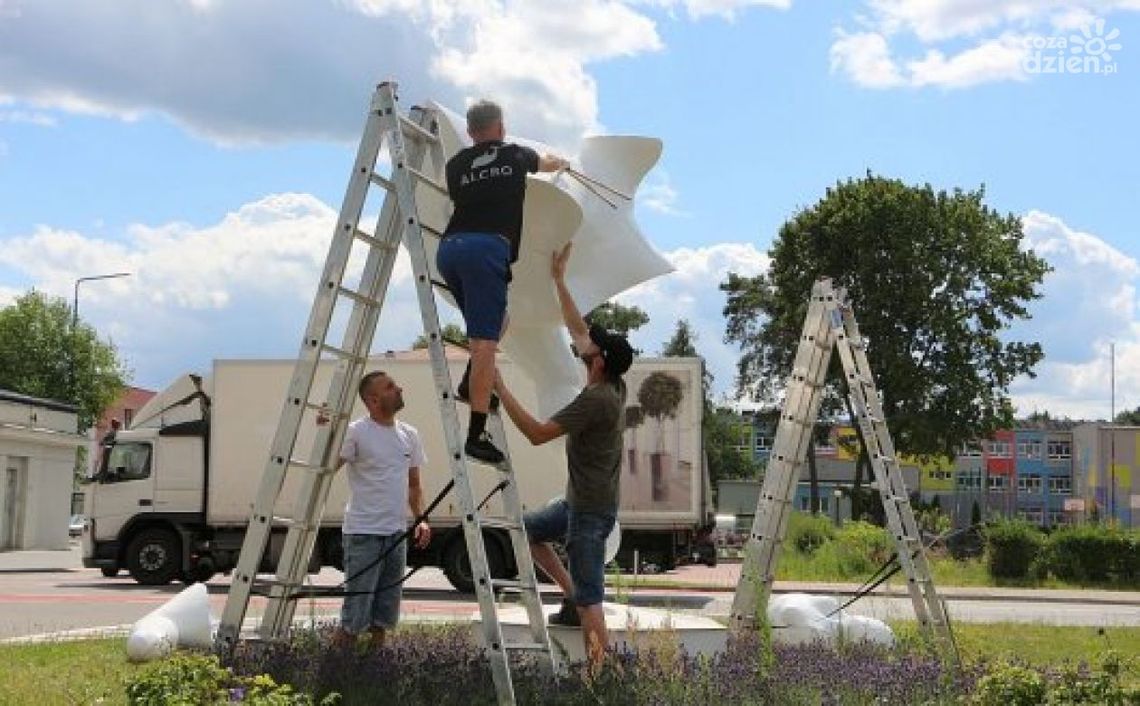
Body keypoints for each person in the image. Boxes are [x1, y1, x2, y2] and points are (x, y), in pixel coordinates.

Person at [493, 243, 633, 670]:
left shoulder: (595, 402)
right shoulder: (609, 382)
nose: (586, 342)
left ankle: (598, 674)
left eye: (594, 345)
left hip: (589, 514)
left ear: (598, 362)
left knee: (592, 601)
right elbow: (577, 329)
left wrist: (498, 386)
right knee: (527, 531)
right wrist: (558, 280)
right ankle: (569, 589)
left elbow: (537, 434)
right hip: (578, 502)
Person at [437, 99, 569, 464]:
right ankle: (476, 435)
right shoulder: (514, 154)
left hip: (450, 250)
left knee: (500, 321)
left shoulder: (456, 166)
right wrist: (562, 163)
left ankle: (469, 382)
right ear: (500, 126)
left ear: (469, 131)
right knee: (485, 344)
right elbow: (546, 164)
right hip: (486, 250)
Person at [332, 371, 432, 649]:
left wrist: (421, 520)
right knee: (354, 617)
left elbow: (414, 486)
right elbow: (328, 467)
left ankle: (376, 679)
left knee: (384, 619)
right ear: (373, 400)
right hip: (363, 534)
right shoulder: (356, 431)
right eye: (390, 387)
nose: (399, 388)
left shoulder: (409, 435)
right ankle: (333, 679)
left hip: (396, 535)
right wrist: (327, 431)